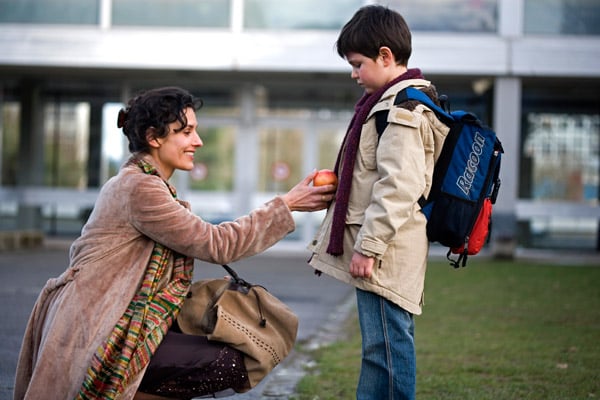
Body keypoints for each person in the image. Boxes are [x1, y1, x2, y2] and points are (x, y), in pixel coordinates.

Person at [14, 86, 337, 400]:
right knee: (226, 363)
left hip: (118, 320)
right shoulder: (140, 188)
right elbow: (218, 244)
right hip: (99, 328)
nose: (197, 141)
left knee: (217, 354)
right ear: (154, 138)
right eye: (186, 132)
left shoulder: (145, 183)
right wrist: (287, 204)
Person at [307, 5, 449, 400]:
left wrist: (368, 248)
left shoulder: (402, 110)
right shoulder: (387, 104)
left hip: (386, 250)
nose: (353, 74)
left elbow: (399, 187)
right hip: (386, 248)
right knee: (378, 349)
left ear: (386, 56)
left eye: (357, 64)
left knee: (387, 347)